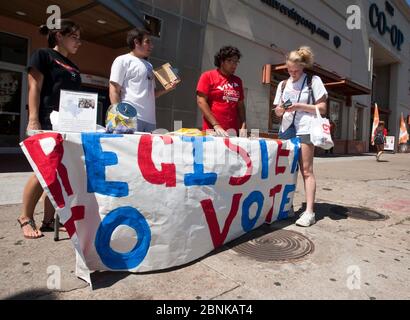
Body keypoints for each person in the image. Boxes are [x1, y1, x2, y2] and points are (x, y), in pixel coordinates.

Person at [18, 19, 82, 239]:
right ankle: (25, 217)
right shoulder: (43, 55)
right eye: (74, 37)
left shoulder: (74, 66)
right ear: (59, 37)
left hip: (68, 124)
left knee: (56, 172)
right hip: (46, 120)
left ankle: (48, 221)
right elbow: (34, 86)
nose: (79, 42)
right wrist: (33, 118)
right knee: (41, 171)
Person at [273, 46, 328, 227]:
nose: (292, 73)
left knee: (306, 170)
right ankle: (286, 206)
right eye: (289, 70)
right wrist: (280, 110)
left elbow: (322, 108)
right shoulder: (283, 84)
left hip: (306, 128)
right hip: (286, 129)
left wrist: (299, 106)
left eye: (296, 71)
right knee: (286, 170)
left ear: (303, 67)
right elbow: (277, 113)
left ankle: (309, 212)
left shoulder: (313, 81)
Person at [109, 28, 178, 132]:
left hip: (150, 120)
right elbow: (114, 90)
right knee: (128, 148)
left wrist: (167, 89)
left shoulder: (149, 65)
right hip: (130, 117)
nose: (151, 46)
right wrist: (120, 117)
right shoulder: (122, 60)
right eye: (147, 42)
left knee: (146, 149)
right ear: (136, 42)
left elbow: (152, 94)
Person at [196, 46, 247, 137]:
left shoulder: (238, 81)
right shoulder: (208, 76)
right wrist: (216, 125)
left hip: (233, 132)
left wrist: (243, 125)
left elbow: (240, 105)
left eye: (236, 62)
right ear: (221, 61)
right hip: (212, 131)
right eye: (230, 61)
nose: (234, 65)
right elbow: (201, 101)